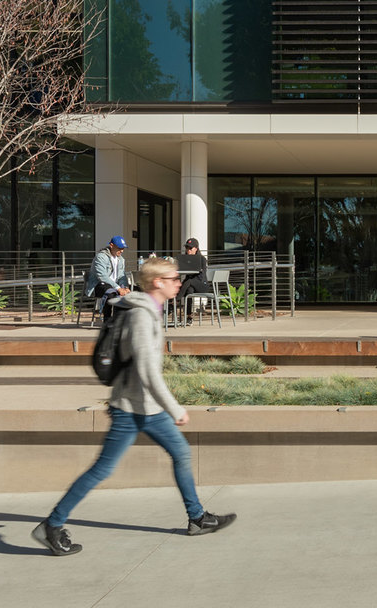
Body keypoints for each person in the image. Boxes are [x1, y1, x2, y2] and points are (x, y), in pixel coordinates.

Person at [31, 256, 235, 555]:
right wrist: (175, 408)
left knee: (180, 453)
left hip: (147, 407)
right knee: (102, 470)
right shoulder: (141, 315)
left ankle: (197, 518)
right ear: (157, 282)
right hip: (130, 409)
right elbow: (146, 370)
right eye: (174, 278)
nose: (179, 283)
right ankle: (51, 525)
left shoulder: (151, 310)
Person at [85, 235, 131, 320]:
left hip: (113, 285)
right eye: (119, 248)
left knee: (129, 293)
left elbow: (122, 276)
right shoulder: (101, 257)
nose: (121, 251)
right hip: (98, 285)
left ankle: (118, 320)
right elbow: (102, 276)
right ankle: (107, 320)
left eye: (123, 248)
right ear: (111, 245)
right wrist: (118, 288)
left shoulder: (121, 259)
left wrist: (125, 287)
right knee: (111, 294)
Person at [176, 237, 211, 323]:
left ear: (196, 248)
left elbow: (202, 276)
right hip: (191, 285)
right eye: (187, 247)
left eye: (190, 248)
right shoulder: (186, 260)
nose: (188, 250)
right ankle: (189, 317)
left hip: (202, 285)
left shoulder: (202, 259)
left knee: (189, 281)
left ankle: (175, 300)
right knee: (189, 290)